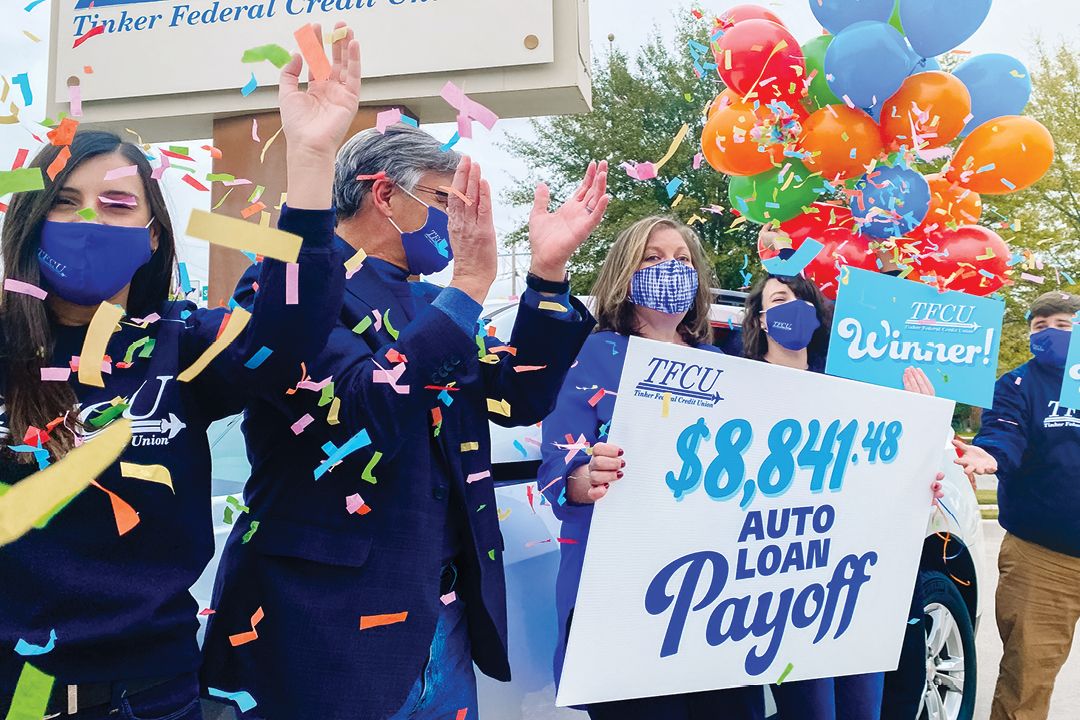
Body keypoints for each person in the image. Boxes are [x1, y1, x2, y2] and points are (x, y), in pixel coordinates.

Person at [0, 22, 358, 720]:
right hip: (15, 695)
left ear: (153, 232)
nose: (89, 222)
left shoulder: (183, 343)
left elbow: (291, 336)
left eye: (116, 204)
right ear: (31, 222)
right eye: (65, 204)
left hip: (150, 694)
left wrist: (312, 160)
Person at [199, 118, 609, 718]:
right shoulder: (287, 287)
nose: (458, 223)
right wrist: (468, 287)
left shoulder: (429, 300)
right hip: (322, 627)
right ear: (385, 194)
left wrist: (546, 276)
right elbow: (357, 415)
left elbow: (515, 398)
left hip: (442, 623)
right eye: (445, 201)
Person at [536, 216, 766, 720]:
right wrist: (582, 478)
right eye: (653, 258)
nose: (672, 269)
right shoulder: (595, 354)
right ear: (626, 273)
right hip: (623, 599)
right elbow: (556, 464)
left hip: (717, 601)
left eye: (683, 259)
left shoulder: (724, 362)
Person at [742, 263, 943, 720]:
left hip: (852, 579)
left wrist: (922, 436)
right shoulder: (738, 385)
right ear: (758, 318)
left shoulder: (850, 388)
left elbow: (889, 467)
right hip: (782, 585)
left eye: (801, 301)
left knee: (862, 709)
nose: (791, 309)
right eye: (777, 301)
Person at [953, 290, 1080, 720]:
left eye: (1063, 326)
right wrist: (987, 455)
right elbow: (1004, 433)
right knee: (1025, 683)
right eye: (1040, 327)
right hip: (1045, 559)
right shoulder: (1016, 385)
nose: (1050, 334)